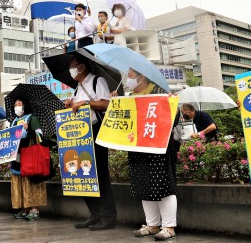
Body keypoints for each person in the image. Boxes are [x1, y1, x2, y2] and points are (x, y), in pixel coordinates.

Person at [111, 68, 177, 240]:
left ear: (142, 77)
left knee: (163, 185)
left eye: (130, 75)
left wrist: (173, 104)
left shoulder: (160, 92)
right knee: (144, 185)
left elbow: (174, 120)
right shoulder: (129, 98)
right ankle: (152, 225)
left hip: (158, 148)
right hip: (138, 147)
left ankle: (169, 227)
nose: (127, 79)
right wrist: (114, 104)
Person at [65, 56, 117, 230]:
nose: (71, 70)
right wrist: (71, 104)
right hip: (80, 136)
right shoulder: (77, 88)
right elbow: (76, 107)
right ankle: (94, 214)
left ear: (82, 67)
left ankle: (108, 216)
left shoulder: (97, 81)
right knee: (84, 174)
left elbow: (106, 103)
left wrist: (86, 102)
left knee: (100, 174)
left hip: (95, 132)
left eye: (73, 66)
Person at [10, 98, 46, 220]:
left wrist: (28, 130)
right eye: (15, 105)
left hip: (30, 154)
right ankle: (25, 208)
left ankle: (34, 208)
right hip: (17, 155)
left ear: (25, 105)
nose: (17, 107)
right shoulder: (14, 121)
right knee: (19, 180)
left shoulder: (32, 118)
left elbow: (40, 135)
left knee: (31, 180)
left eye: (19, 104)